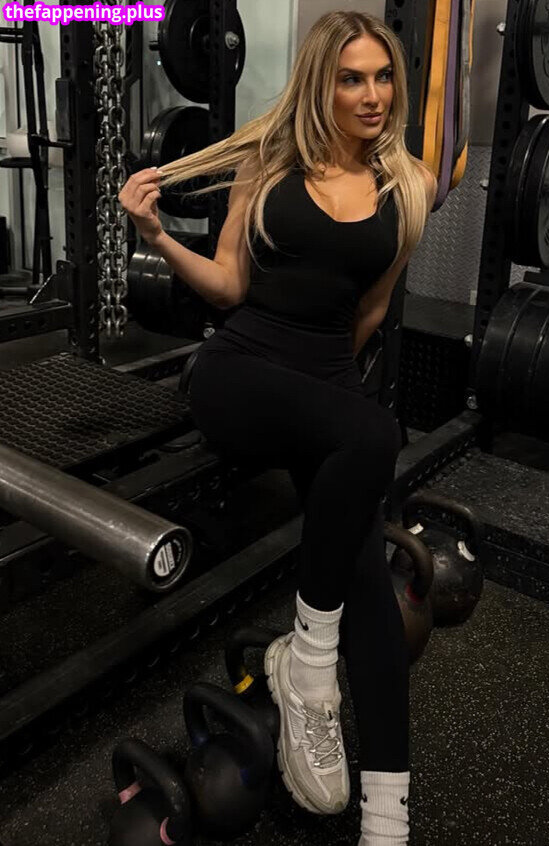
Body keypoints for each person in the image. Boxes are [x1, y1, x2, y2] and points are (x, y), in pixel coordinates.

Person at [119, 11, 436, 844]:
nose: (372, 94)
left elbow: (370, 312)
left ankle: (387, 816)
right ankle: (307, 663)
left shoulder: (409, 184)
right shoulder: (269, 161)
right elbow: (228, 284)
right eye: (352, 78)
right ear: (321, 83)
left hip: (323, 391)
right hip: (238, 373)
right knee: (374, 435)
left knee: (367, 581)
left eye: (384, 77)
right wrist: (155, 236)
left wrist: (328, 406)